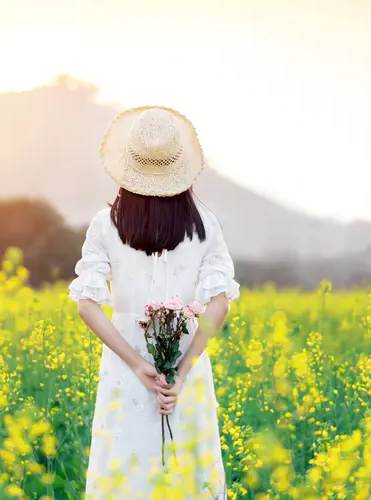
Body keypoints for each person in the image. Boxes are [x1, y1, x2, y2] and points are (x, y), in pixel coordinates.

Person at [68, 106, 240, 499]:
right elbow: (219, 304)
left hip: (124, 365)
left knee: (126, 472)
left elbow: (86, 305)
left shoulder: (105, 224)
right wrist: (181, 369)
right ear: (180, 167)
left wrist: (137, 363)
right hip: (186, 364)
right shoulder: (205, 225)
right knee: (188, 472)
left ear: (128, 166)